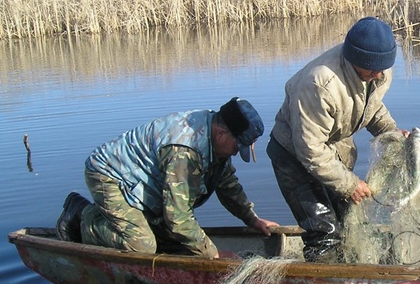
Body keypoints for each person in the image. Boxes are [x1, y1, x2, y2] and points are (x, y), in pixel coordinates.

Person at [56, 97, 279, 259]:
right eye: (237, 147)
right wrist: (215, 254)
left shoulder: (216, 136)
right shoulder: (185, 152)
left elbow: (226, 182)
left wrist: (253, 219)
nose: (235, 153)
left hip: (143, 184)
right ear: (221, 134)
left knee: (174, 242)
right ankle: (82, 215)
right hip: (109, 175)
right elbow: (178, 218)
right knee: (142, 246)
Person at [267, 16, 408, 262]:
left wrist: (391, 133)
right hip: (293, 155)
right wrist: (350, 185)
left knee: (351, 220)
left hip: (333, 148)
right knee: (325, 232)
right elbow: (310, 150)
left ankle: (353, 271)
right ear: (355, 59)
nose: (378, 74)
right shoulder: (319, 85)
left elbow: (371, 106)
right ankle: (327, 280)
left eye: (382, 68)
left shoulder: (377, 71)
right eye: (372, 69)